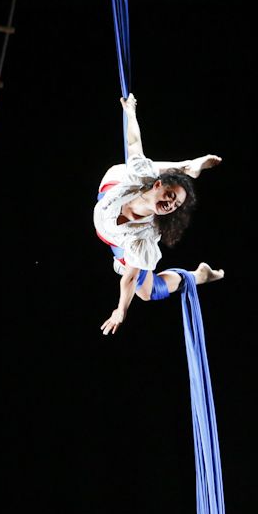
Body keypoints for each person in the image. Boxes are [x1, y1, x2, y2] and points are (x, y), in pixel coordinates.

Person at [95, 93, 224, 335]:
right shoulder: (141, 177)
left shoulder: (146, 235)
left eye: (176, 205)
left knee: (146, 292)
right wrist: (129, 111)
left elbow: (130, 279)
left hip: (118, 239)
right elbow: (133, 143)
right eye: (170, 196)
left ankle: (198, 276)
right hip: (113, 188)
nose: (171, 204)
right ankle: (186, 166)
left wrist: (120, 309)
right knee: (142, 165)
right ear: (158, 187)